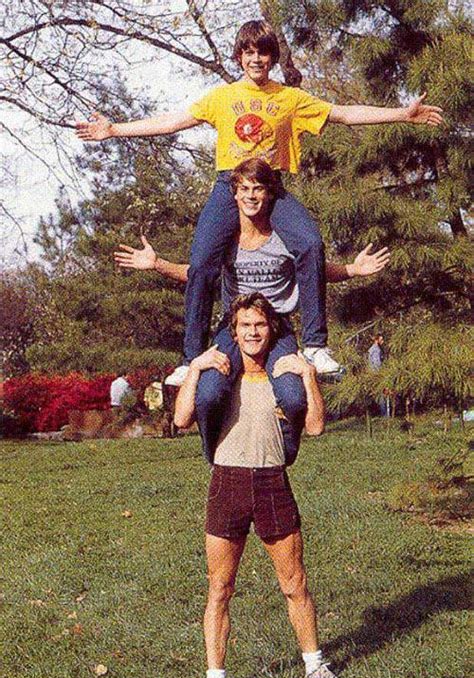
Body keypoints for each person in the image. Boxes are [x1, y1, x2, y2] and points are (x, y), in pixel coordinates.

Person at [76, 19, 442, 385]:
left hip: (270, 186)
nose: (256, 59)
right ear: (239, 57)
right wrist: (114, 129)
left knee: (311, 244)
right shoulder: (222, 97)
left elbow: (344, 114)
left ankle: (314, 345)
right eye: (249, 52)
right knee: (203, 261)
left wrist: (400, 114)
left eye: (263, 53)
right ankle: (191, 357)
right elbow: (174, 121)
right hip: (229, 186)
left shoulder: (289, 98)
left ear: (272, 57)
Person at [114, 158, 390, 462]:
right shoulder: (225, 241)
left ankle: (282, 456)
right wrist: (157, 264)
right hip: (234, 328)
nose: (251, 196)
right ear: (233, 194)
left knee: (293, 398)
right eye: (244, 189)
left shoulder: (285, 237)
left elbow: (315, 270)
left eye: (258, 189)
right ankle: (214, 455)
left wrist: (352, 269)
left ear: (270, 194)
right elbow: (198, 272)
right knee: (208, 395)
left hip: (276, 328)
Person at [174, 292, 343, 678]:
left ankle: (314, 666)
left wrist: (307, 376)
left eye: (260, 325)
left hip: (272, 484)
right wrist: (195, 367)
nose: (252, 333)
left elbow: (317, 427)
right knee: (219, 588)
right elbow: (180, 419)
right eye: (245, 326)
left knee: (295, 583)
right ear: (234, 332)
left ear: (271, 331)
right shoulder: (221, 374)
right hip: (226, 485)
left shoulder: (281, 377)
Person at [368, 334, 390, 416]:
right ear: (376, 340)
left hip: (373, 374)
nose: (383, 341)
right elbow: (378, 364)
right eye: (381, 339)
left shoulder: (372, 349)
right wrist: (382, 375)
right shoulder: (377, 350)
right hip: (377, 374)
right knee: (382, 394)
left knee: (378, 394)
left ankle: (380, 413)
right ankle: (385, 415)